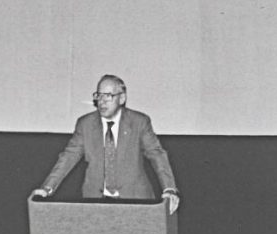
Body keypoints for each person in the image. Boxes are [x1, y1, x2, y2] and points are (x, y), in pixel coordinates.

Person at [33, 74, 180, 214]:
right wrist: (47, 188)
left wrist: (169, 189)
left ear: (122, 98)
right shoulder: (85, 124)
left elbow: (157, 154)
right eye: (99, 95)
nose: (102, 101)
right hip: (95, 202)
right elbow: (68, 157)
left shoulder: (139, 122)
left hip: (136, 202)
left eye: (108, 96)